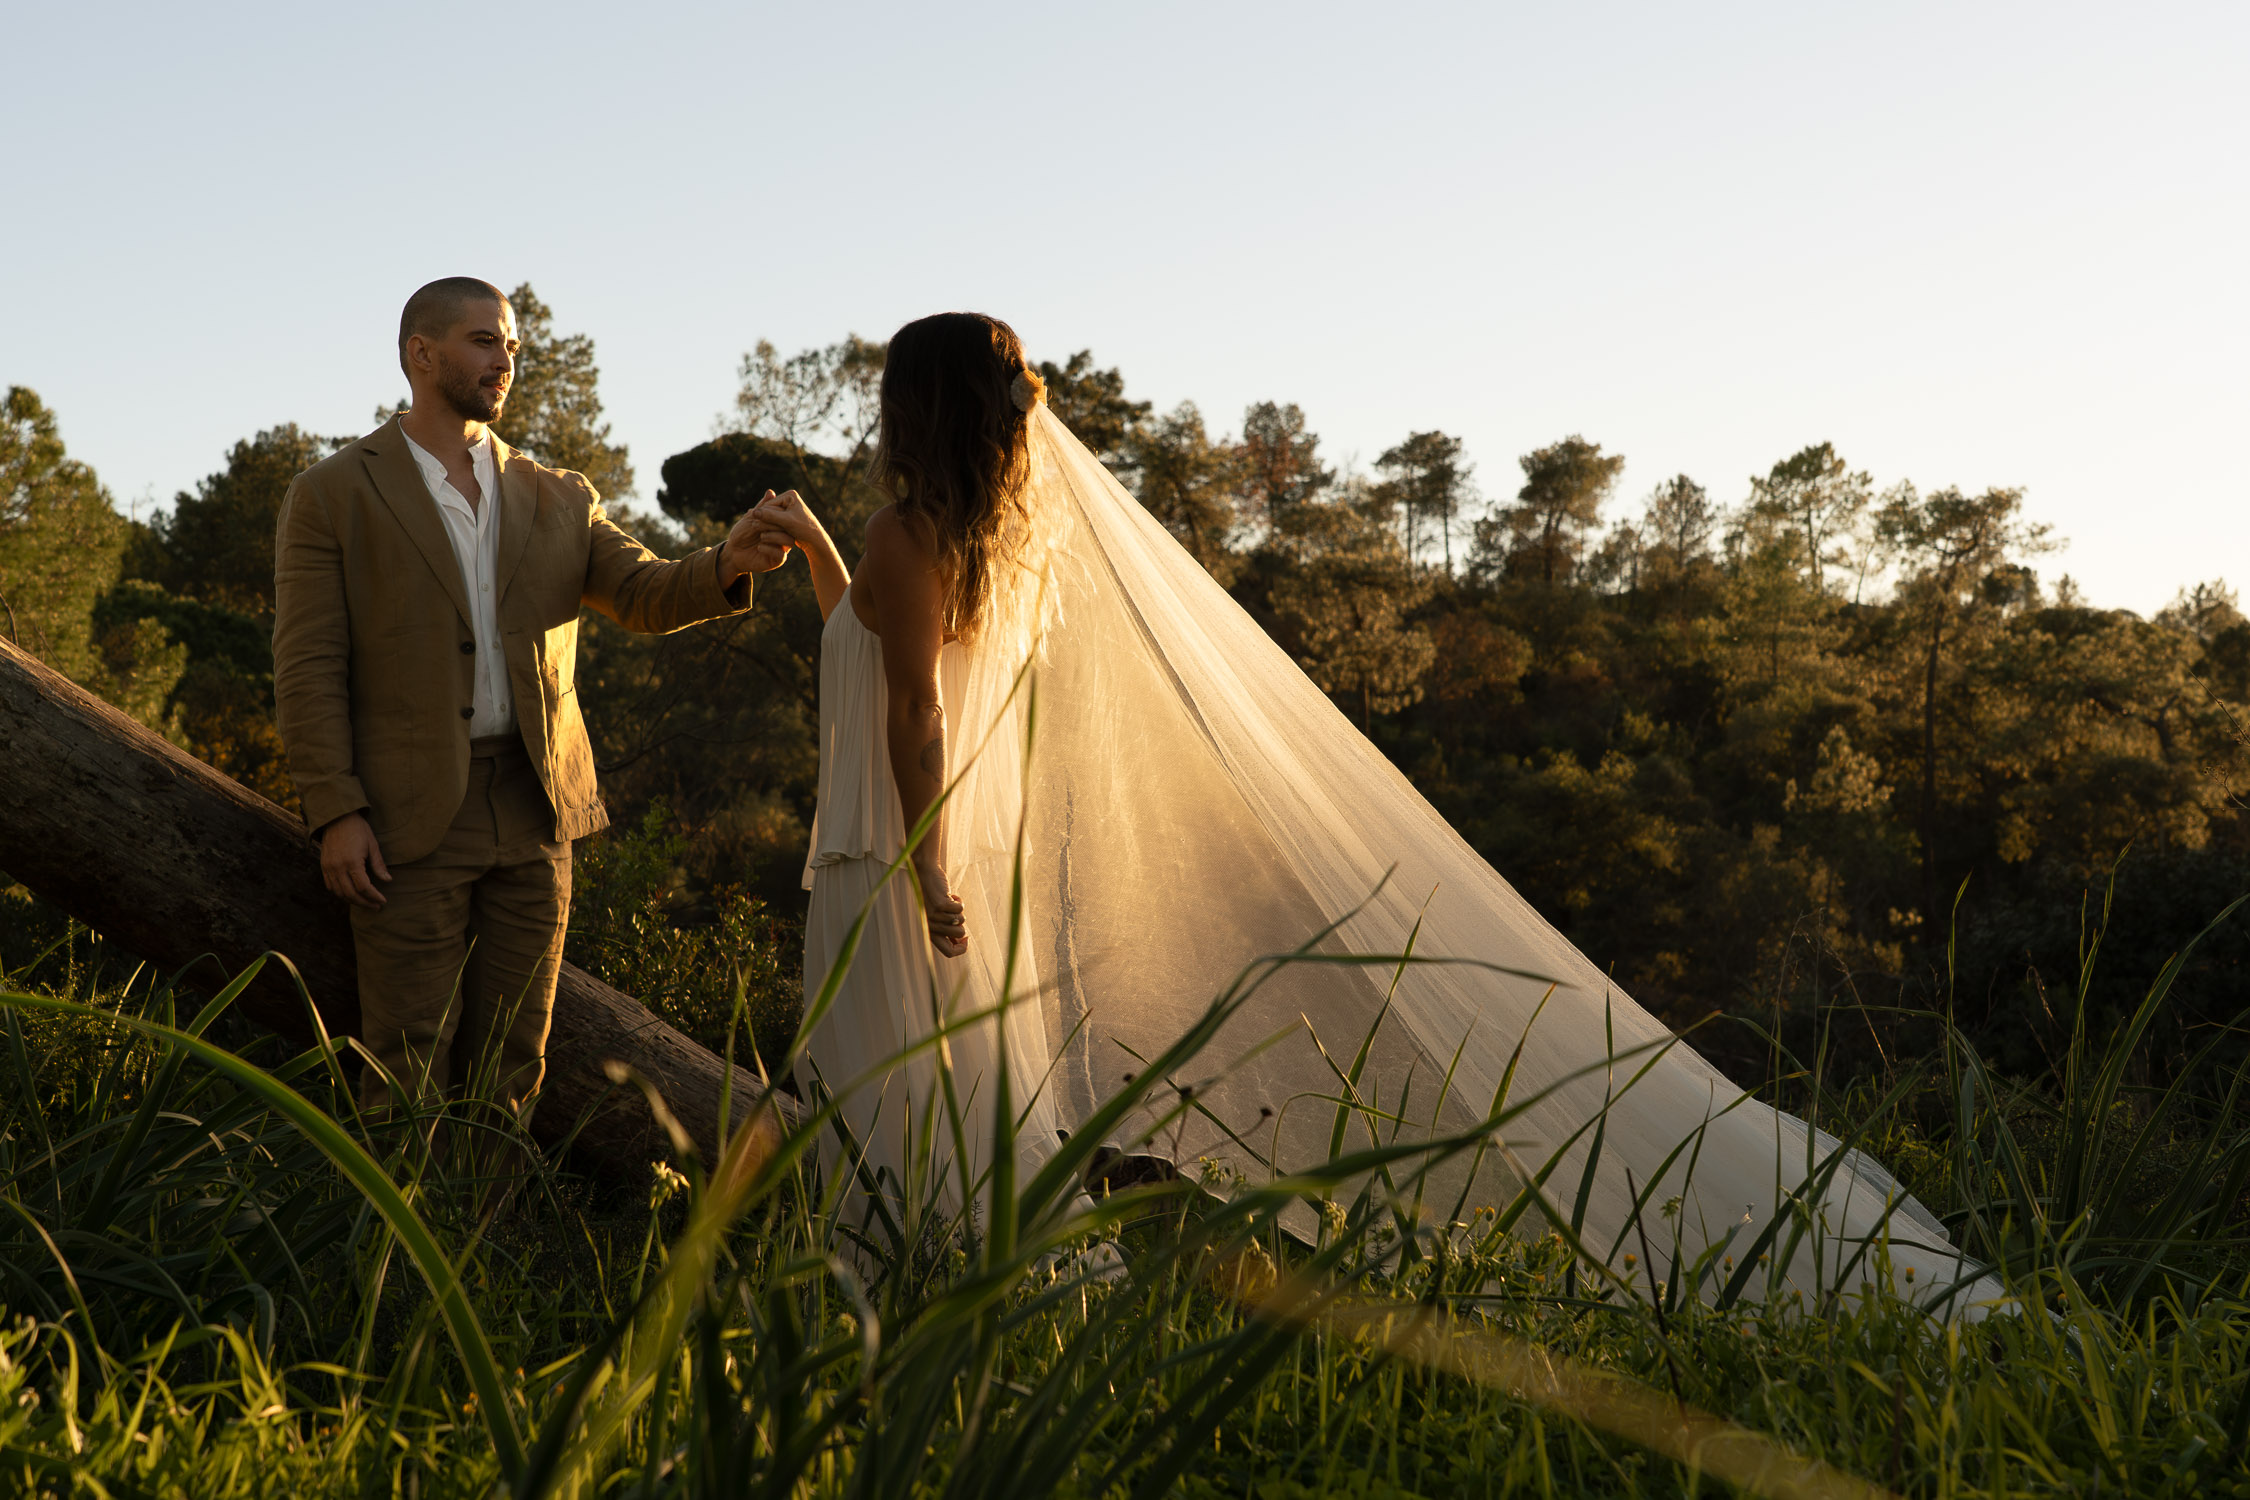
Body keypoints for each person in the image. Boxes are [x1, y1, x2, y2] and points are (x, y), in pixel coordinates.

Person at [754, 311, 1996, 1312]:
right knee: (963, 1106)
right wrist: (816, 548)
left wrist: (923, 884)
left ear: (911, 412)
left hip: (894, 867)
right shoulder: (988, 554)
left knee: (900, 1106)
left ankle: (920, 1323)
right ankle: (995, 1309)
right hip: (953, 871)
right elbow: (883, 655)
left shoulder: (905, 537)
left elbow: (915, 721)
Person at [272, 276, 788, 1143]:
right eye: (483, 340)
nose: (504, 358)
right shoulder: (332, 495)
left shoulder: (559, 494)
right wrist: (337, 810)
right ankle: (389, 1270)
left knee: (515, 1069)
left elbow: (645, 593)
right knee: (402, 1068)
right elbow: (309, 665)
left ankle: (485, 1263)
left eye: (511, 344)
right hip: (404, 822)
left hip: (537, 809)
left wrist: (727, 561)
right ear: (421, 354)